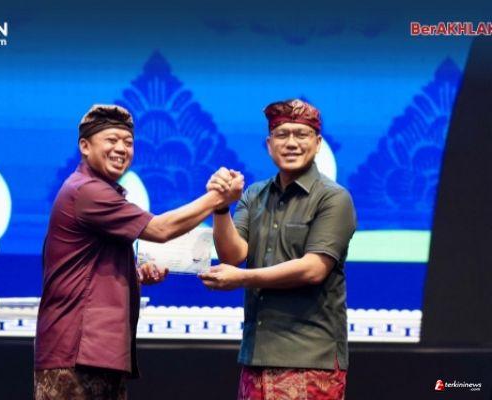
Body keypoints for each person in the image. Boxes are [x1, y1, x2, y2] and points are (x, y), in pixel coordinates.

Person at [34, 104, 243, 400]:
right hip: (75, 352)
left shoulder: (97, 190)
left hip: (96, 353)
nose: (121, 149)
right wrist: (218, 198)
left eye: (128, 142)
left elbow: (85, 270)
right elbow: (161, 229)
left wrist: (133, 276)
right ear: (85, 146)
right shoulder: (87, 191)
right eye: (111, 140)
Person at [199, 99, 356, 399]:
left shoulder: (334, 198)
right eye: (282, 135)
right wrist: (220, 207)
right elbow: (233, 255)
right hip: (256, 355)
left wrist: (241, 278)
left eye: (301, 134)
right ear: (269, 145)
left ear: (318, 143)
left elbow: (313, 269)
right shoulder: (254, 195)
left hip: (309, 357)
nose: (291, 143)